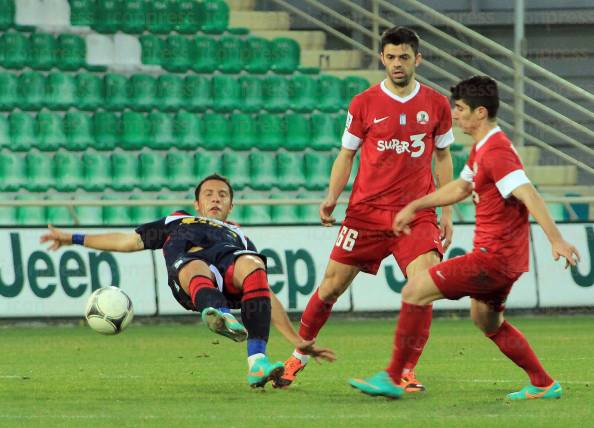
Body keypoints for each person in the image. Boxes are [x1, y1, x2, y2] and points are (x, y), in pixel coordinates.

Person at [349, 75, 581, 400]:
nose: (454, 115)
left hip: (492, 258)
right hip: (507, 262)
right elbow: (461, 187)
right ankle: (543, 383)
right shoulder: (482, 148)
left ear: (480, 112)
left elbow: (529, 193)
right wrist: (417, 204)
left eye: (459, 109)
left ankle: (393, 376)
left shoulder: (497, 152)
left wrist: (556, 239)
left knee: (415, 290)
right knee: (487, 321)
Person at [278, 26, 455, 391]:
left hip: (416, 213)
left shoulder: (436, 104)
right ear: (382, 59)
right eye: (390, 57)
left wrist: (447, 213)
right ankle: (299, 355)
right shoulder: (363, 103)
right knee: (329, 289)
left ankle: (405, 370)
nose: (397, 64)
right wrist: (331, 197)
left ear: (417, 59)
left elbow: (443, 156)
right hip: (366, 212)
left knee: (424, 287)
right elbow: (347, 154)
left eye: (404, 57)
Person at [40, 174, 335, 388]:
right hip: (191, 274)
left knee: (254, 265)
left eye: (222, 195)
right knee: (195, 266)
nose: (216, 198)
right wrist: (72, 238)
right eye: (209, 194)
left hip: (229, 269)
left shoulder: (241, 237)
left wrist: (296, 341)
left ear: (231, 205)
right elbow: (127, 241)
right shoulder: (177, 221)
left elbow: (265, 295)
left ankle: (257, 362)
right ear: (197, 203)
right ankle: (217, 313)